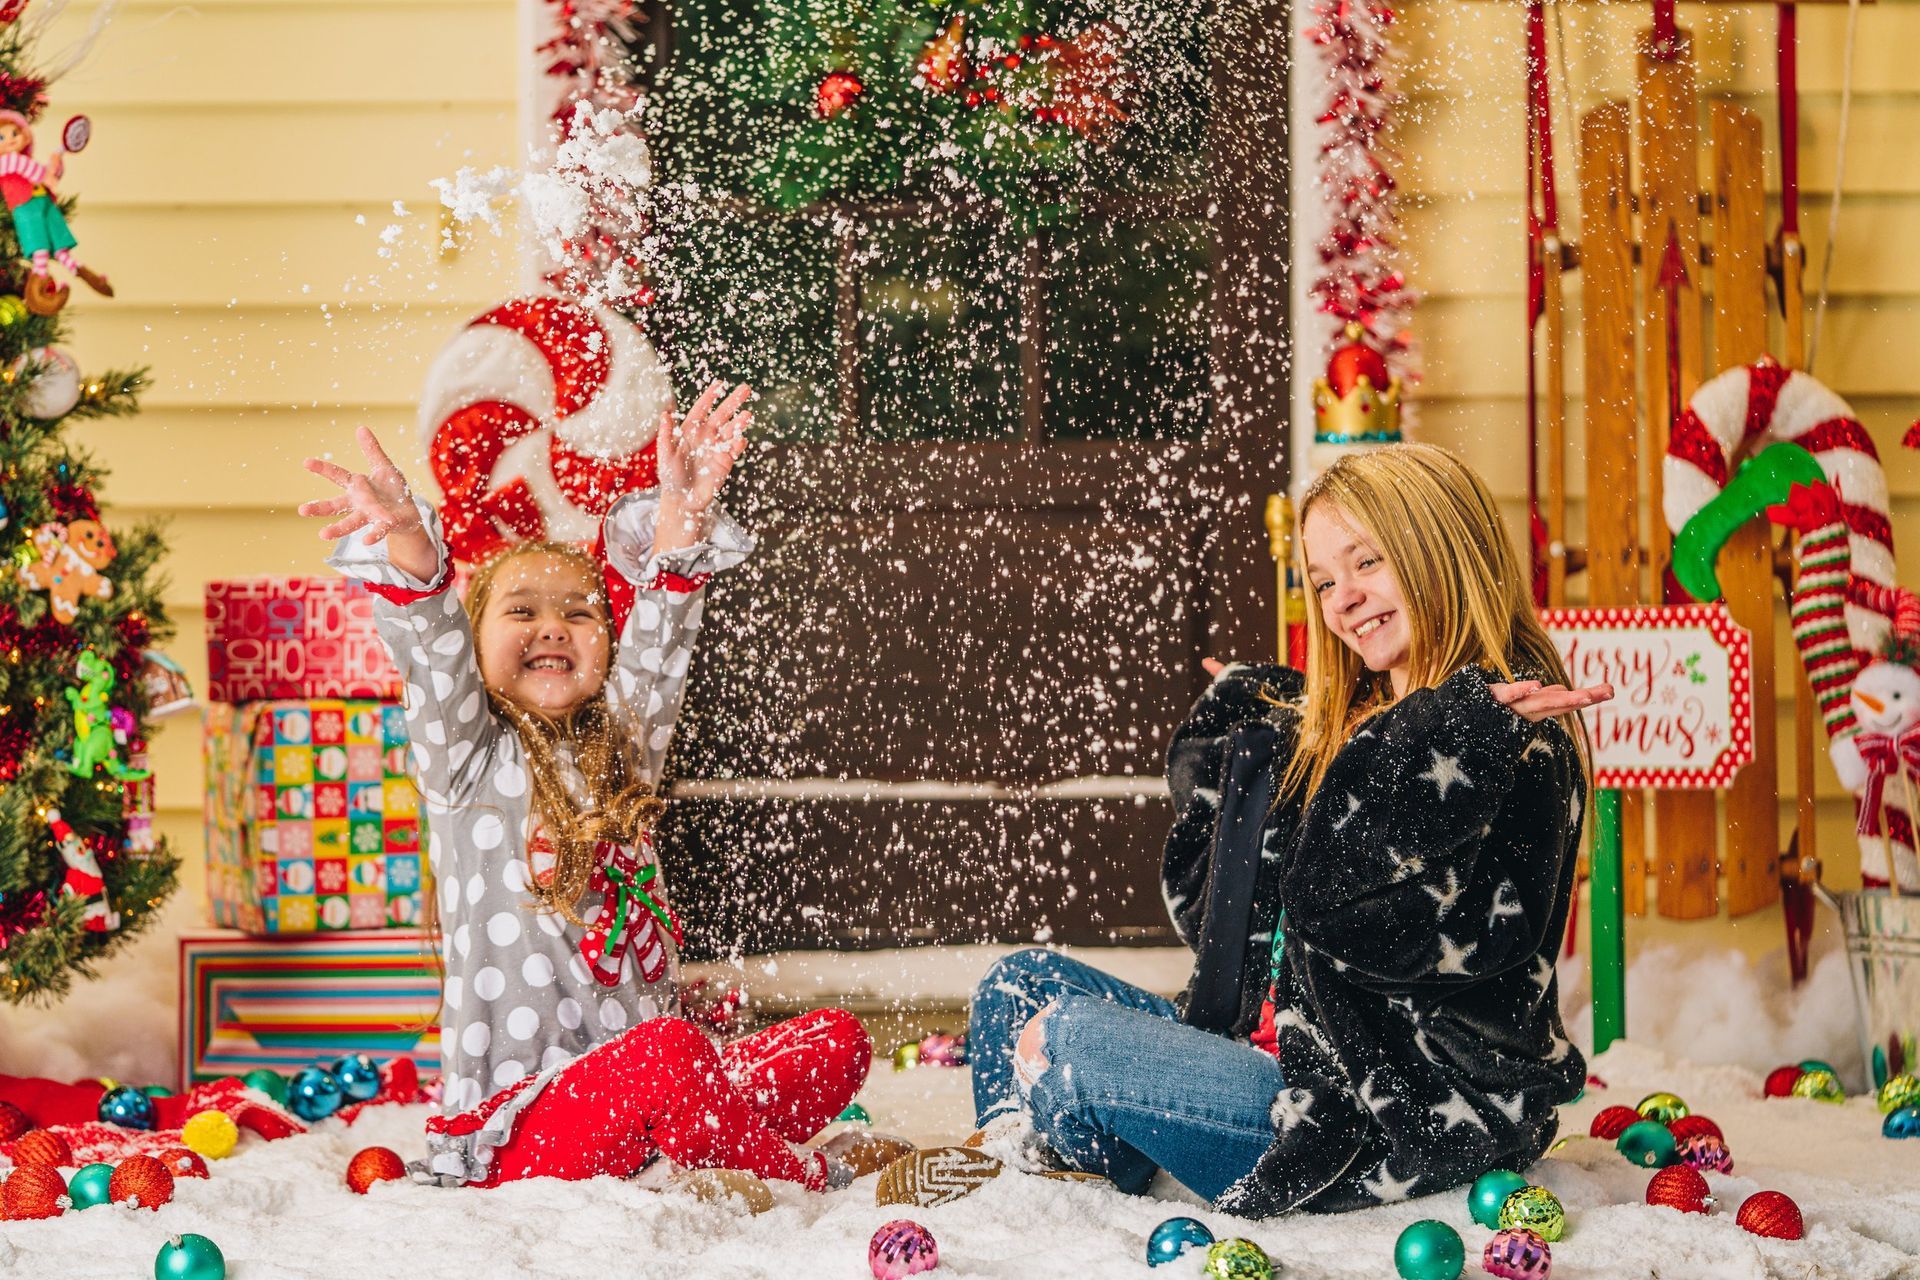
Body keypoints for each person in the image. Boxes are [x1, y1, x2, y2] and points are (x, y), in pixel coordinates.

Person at [966, 442, 1612, 1216]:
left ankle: (1061, 1149)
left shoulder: (1505, 745)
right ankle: (1030, 1160)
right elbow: (1207, 912)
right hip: (1270, 1051)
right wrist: (1252, 713)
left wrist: (1426, 735)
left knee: (1066, 1038)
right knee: (1018, 987)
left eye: (1368, 562)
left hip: (1365, 1113)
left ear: (1442, 548)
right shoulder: (1364, 727)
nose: (1343, 599)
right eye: (1325, 580)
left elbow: (1341, 913)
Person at [300, 383, 870, 1189]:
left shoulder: (623, 748)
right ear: (476, 644)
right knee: (670, 1057)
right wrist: (412, 552)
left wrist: (683, 512)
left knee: (836, 1041)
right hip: (527, 1129)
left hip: (648, 1097)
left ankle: (699, 1133)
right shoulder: (466, 760)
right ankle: (788, 1176)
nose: (552, 627)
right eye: (521, 611)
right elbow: (430, 650)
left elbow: (663, 637)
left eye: (580, 613)